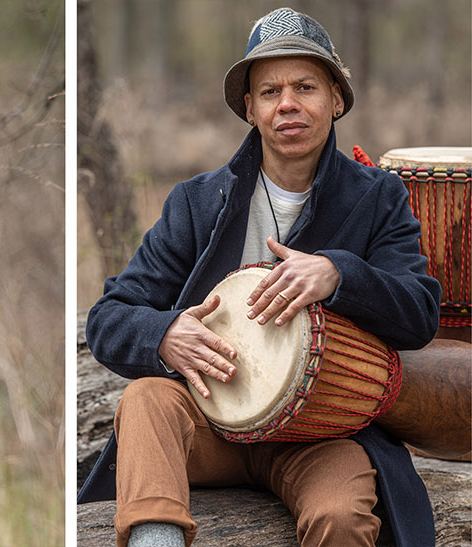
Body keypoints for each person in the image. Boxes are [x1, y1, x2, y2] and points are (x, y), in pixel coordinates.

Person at [78, 7, 440, 547]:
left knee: (341, 517)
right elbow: (109, 317)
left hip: (324, 432)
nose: (287, 104)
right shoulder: (198, 202)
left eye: (305, 86)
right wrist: (165, 333)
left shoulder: (377, 197)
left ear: (336, 99)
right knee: (147, 400)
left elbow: (419, 313)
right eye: (269, 91)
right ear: (249, 109)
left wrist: (339, 274)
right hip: (210, 423)